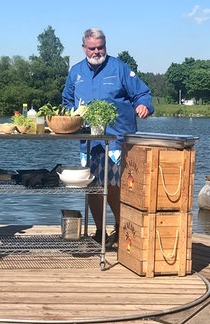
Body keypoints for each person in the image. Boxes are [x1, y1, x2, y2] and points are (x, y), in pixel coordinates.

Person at [62, 28, 154, 246]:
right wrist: (69, 118)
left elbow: (142, 93)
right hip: (88, 142)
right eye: (92, 48)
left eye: (100, 47)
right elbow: (66, 101)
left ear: (106, 46)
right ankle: (101, 231)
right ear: (84, 47)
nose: (96, 52)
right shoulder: (75, 72)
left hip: (118, 140)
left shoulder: (119, 68)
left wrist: (143, 105)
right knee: (92, 186)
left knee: (114, 186)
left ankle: (124, 229)